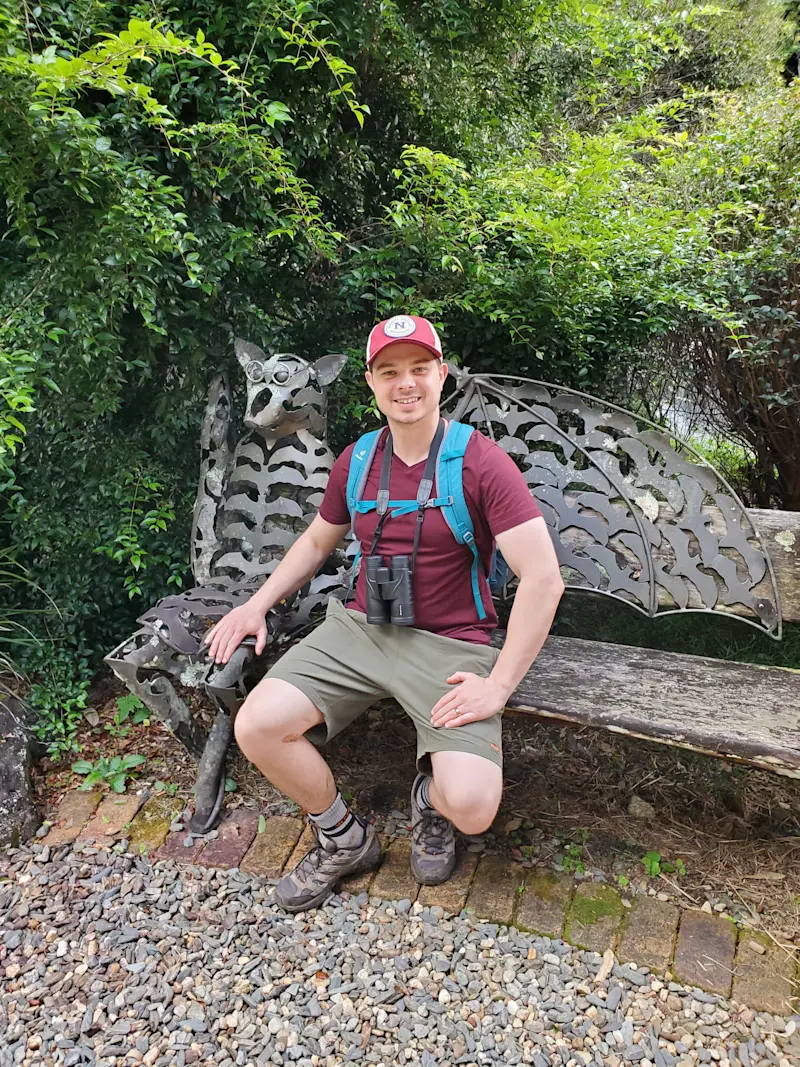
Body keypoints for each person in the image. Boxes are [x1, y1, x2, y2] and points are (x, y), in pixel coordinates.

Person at [203, 315, 565, 913]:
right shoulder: (358, 460)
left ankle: (430, 799)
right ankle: (343, 839)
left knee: (473, 806)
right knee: (257, 726)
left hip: (451, 643)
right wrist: (255, 606)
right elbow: (317, 541)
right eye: (390, 372)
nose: (406, 383)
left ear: (441, 375)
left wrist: (500, 685)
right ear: (371, 383)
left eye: (419, 369)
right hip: (362, 629)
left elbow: (543, 578)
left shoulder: (480, 462)